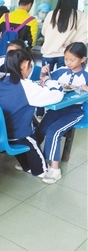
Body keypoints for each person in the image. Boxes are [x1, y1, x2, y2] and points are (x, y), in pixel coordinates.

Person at [0, 49, 63, 178]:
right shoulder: (27, 87)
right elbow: (57, 96)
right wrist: (49, 82)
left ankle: (26, 166)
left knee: (28, 131)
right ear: (24, 65)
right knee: (40, 164)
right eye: (30, 65)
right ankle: (37, 169)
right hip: (18, 135)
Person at [36, 42, 88, 184]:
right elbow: (46, 82)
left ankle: (54, 169)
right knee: (41, 128)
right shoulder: (61, 71)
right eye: (66, 59)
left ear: (82, 59)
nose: (68, 63)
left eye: (72, 60)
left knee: (54, 131)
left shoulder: (86, 75)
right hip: (57, 109)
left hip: (75, 111)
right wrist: (44, 74)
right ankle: (33, 159)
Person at [41, 0, 88, 72]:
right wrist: (73, 44)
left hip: (48, 53)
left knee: (45, 81)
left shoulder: (52, 14)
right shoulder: (81, 16)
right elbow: (85, 36)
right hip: (67, 56)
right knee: (63, 82)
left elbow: (44, 32)